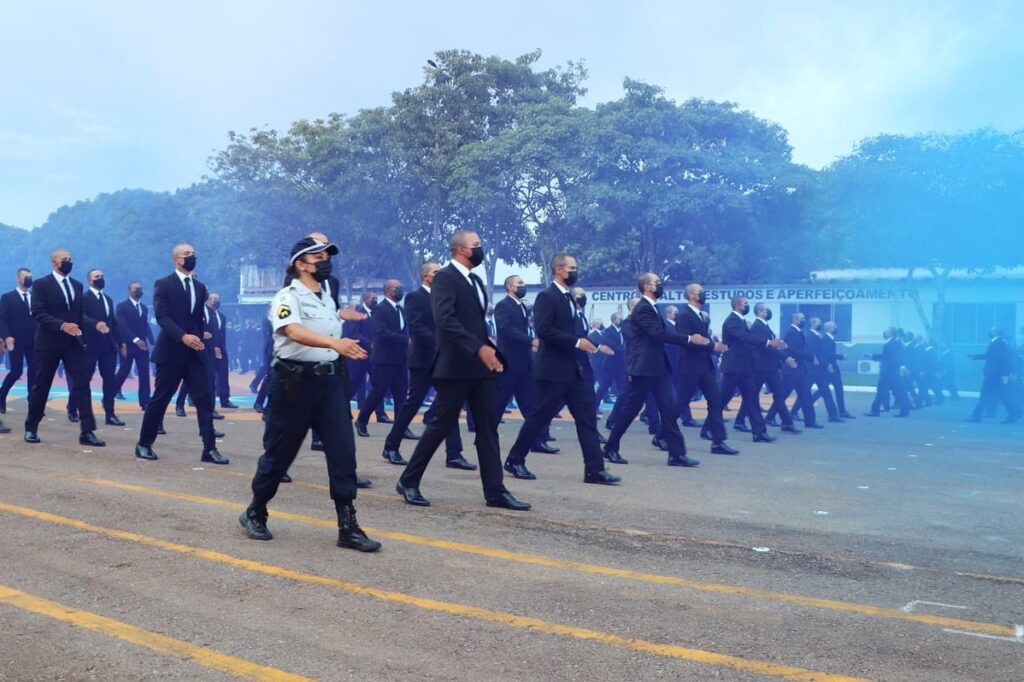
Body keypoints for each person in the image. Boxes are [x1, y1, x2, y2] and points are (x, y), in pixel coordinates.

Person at [239, 238, 380, 551]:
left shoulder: (326, 297)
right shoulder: (286, 296)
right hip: (293, 383)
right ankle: (255, 510)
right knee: (280, 453)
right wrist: (334, 344)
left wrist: (345, 324)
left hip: (329, 384)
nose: (325, 261)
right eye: (317, 257)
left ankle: (348, 526)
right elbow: (292, 331)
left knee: (343, 452)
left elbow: (327, 322)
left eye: (326, 256)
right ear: (300, 264)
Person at [396, 230, 530, 510]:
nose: (481, 250)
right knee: (440, 426)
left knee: (487, 428)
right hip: (455, 366)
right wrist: (478, 348)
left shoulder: (477, 280)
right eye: (476, 245)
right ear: (460, 250)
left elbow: (476, 324)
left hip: (480, 368)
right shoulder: (445, 277)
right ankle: (409, 480)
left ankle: (495, 491)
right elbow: (445, 321)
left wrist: (490, 349)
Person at [503, 254, 620, 484]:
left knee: (587, 419)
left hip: (575, 370)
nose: (575, 272)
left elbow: (574, 331)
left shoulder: (569, 298)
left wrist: (588, 343)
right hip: (553, 370)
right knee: (538, 417)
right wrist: (576, 342)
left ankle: (594, 470)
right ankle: (515, 459)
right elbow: (544, 330)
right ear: (558, 269)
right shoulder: (547, 297)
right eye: (572, 268)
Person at [134, 243, 227, 463]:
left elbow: (196, 318)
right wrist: (183, 336)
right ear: (176, 259)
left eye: (193, 254)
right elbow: (162, 316)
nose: (191, 257)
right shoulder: (164, 284)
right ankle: (144, 443)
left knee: (204, 400)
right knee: (160, 399)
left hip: (195, 354)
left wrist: (200, 333)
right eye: (187, 254)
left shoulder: (200, 287)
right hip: (171, 353)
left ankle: (209, 448)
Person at [604, 273, 704, 467]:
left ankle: (677, 454)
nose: (661, 285)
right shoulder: (643, 308)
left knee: (669, 409)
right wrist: (690, 339)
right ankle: (610, 447)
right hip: (645, 368)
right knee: (629, 410)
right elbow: (658, 334)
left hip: (658, 368)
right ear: (647, 286)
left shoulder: (652, 308)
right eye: (658, 282)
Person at [381, 261, 471, 469]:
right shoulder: (414, 297)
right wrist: (441, 341)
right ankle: (391, 446)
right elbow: (417, 328)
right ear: (426, 276)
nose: (440, 275)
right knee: (412, 404)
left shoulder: (446, 298)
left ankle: (454, 454)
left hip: (444, 360)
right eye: (436, 272)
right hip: (423, 360)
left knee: (450, 404)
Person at [23, 248, 106, 447]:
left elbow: (78, 316)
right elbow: (38, 313)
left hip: (73, 345)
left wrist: (82, 336)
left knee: (82, 384)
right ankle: (31, 427)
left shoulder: (77, 286)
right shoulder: (42, 285)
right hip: (48, 343)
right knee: (41, 386)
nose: (68, 262)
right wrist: (62, 325)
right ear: (54, 263)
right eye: (64, 259)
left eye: (70, 259)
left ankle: (87, 431)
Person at [492, 274, 559, 455]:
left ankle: (538, 440)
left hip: (525, 364)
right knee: (497, 405)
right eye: (520, 283)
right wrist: (531, 341)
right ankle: (486, 438)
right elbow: (506, 330)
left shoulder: (523, 307)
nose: (524, 286)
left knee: (532, 406)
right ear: (509, 287)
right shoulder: (503, 306)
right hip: (508, 364)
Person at [675, 283, 736, 454]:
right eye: (700, 292)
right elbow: (686, 342)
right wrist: (711, 346)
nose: (704, 294)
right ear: (692, 295)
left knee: (716, 401)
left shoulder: (701, 315)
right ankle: (662, 434)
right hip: (690, 367)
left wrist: (715, 347)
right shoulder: (684, 316)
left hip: (705, 367)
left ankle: (718, 442)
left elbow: (706, 340)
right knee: (681, 403)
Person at [718, 294, 785, 444]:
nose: (747, 306)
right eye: (745, 303)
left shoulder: (741, 321)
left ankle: (759, 432)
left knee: (752, 399)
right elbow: (744, 338)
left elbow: (748, 341)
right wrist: (768, 342)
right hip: (733, 367)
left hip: (744, 367)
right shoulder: (732, 321)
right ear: (737, 305)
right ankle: (709, 427)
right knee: (723, 399)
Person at [68, 268, 124, 426]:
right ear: (89, 281)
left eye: (102, 276)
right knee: (84, 379)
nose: (101, 278)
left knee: (109, 380)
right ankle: (72, 407)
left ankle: (110, 413)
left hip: (108, 347)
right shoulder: (83, 298)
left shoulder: (108, 299)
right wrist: (96, 324)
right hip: (90, 346)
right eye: (97, 276)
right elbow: (81, 317)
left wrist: (121, 342)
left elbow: (113, 322)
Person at [735, 303, 800, 434]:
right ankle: (739, 421)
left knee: (778, 394)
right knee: (752, 395)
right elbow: (767, 346)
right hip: (760, 367)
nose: (768, 312)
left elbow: (772, 345)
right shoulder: (758, 327)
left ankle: (787, 423)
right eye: (766, 310)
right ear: (759, 312)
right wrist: (786, 358)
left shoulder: (764, 325)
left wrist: (780, 346)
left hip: (769, 367)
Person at [355, 279, 409, 436]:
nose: (400, 290)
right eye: (397, 288)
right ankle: (362, 420)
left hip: (400, 358)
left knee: (401, 394)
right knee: (378, 391)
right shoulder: (380, 309)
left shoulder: (401, 309)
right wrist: (405, 339)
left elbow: (404, 329)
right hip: (384, 358)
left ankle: (401, 427)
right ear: (388, 291)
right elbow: (381, 332)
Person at [767, 312, 823, 428]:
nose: (804, 320)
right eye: (802, 319)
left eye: (804, 318)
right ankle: (770, 417)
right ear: (795, 320)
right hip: (792, 370)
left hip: (800, 370)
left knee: (806, 396)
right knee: (782, 395)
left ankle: (810, 421)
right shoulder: (791, 333)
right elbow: (791, 351)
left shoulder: (798, 332)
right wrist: (810, 357)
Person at [0, 268, 36, 415]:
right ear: (18, 279)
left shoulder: (35, 297)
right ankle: (1, 397)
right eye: (25, 277)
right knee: (16, 371)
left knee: (34, 371)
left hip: (34, 341)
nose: (28, 280)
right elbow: (2, 319)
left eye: (30, 277)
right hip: (15, 340)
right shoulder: (8, 297)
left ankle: (33, 402)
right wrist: (6, 336)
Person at [113, 282, 154, 411]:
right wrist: (135, 340)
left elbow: (145, 326)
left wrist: (152, 342)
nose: (139, 291)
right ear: (129, 290)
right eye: (136, 289)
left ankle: (145, 401)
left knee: (144, 373)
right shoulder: (122, 306)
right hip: (127, 345)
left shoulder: (144, 307)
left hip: (142, 346)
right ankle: (110, 395)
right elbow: (122, 326)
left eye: (140, 289)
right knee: (124, 372)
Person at [966, 327, 1020, 423]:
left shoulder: (997, 344)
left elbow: (1002, 360)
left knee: (986, 395)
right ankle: (1013, 415)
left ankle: (976, 415)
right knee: (1003, 396)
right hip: (995, 375)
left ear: (996, 333)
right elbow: (991, 356)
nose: (989, 332)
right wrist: (976, 356)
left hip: (994, 375)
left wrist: (1005, 374)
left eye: (991, 330)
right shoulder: (997, 343)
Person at [863, 327, 911, 418]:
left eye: (886, 331)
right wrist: (872, 356)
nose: (884, 332)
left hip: (890, 372)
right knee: (895, 391)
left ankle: (875, 410)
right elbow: (887, 356)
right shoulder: (892, 343)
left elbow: (895, 357)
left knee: (885, 390)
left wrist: (900, 367)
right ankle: (904, 410)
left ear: (890, 333)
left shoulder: (893, 344)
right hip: (892, 372)